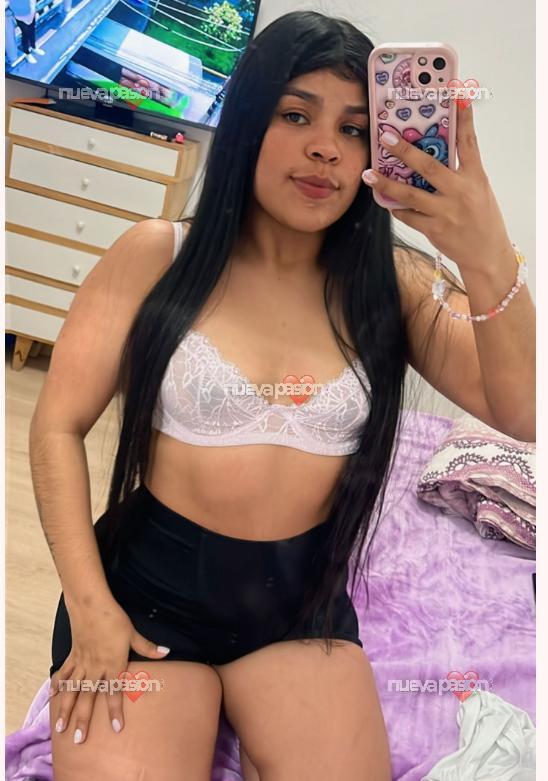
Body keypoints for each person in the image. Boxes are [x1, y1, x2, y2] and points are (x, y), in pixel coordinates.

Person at [30, 10, 535, 781]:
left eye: (355, 129)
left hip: (300, 608)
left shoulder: (393, 286)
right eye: (296, 115)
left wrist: (486, 250)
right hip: (146, 593)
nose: (326, 148)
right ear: (247, 123)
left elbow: (523, 409)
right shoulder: (156, 256)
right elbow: (57, 426)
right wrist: (91, 604)